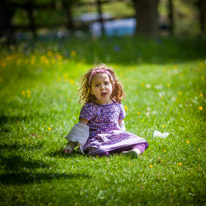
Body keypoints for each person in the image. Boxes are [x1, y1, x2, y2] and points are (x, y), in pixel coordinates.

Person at [64, 64, 149, 158]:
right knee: (100, 152)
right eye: (97, 85)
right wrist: (70, 146)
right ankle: (115, 152)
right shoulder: (89, 107)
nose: (102, 87)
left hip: (116, 137)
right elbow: (80, 128)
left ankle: (134, 152)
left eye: (106, 83)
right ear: (91, 90)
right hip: (98, 139)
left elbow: (121, 124)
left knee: (142, 142)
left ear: (112, 86)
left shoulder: (118, 105)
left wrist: (124, 139)